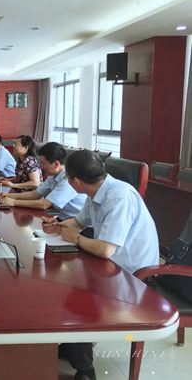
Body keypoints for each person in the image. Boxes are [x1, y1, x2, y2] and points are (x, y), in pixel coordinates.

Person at [42, 149, 159, 380]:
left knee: (77, 296)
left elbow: (105, 249)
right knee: (57, 282)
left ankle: (85, 369)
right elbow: (78, 222)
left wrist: (76, 239)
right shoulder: (95, 190)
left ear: (75, 181)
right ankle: (72, 343)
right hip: (111, 266)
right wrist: (57, 226)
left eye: (67, 177)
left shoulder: (118, 197)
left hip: (135, 276)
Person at [0, 142, 86, 220]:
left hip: (76, 222)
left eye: (43, 163)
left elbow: (44, 204)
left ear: (56, 164)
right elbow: (35, 194)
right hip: (61, 217)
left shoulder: (68, 179)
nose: (42, 166)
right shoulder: (53, 176)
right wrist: (8, 195)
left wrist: (14, 202)